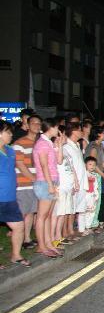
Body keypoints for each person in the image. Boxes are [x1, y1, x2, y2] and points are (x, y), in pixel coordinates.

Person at [0, 121, 31, 267]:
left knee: (19, 226)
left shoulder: (11, 150)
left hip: (10, 198)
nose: (11, 134)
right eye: (8, 132)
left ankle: (16, 255)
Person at [33, 119, 63, 258]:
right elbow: (44, 165)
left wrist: (59, 145)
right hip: (45, 183)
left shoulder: (49, 143)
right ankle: (42, 245)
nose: (58, 130)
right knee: (42, 216)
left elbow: (59, 161)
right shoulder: (42, 144)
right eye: (57, 127)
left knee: (48, 216)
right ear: (51, 127)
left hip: (52, 181)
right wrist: (50, 184)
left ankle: (48, 244)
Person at [12, 114, 40, 249]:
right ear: (27, 125)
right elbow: (20, 164)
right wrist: (34, 179)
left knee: (31, 212)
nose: (37, 126)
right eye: (33, 123)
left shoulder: (40, 143)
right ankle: (20, 238)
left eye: (39, 124)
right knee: (23, 212)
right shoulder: (19, 143)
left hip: (36, 183)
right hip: (24, 184)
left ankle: (27, 238)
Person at [79, 157, 101, 235]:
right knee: (83, 212)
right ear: (85, 165)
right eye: (90, 164)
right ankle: (82, 229)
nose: (92, 166)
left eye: (94, 165)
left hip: (91, 196)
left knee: (91, 211)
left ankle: (88, 226)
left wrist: (96, 196)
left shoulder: (94, 175)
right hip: (85, 195)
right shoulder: (83, 174)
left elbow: (96, 187)